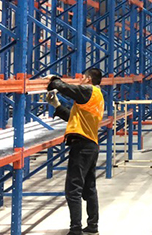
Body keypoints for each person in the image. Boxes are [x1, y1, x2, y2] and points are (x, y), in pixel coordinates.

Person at [44, 68, 105, 235]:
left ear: (88, 79)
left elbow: (66, 88)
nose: (80, 80)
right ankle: (92, 226)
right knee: (89, 188)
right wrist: (56, 105)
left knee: (73, 189)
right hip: (91, 145)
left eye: (82, 78)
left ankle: (75, 230)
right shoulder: (96, 98)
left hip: (82, 146)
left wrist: (53, 80)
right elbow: (74, 117)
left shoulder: (89, 91)